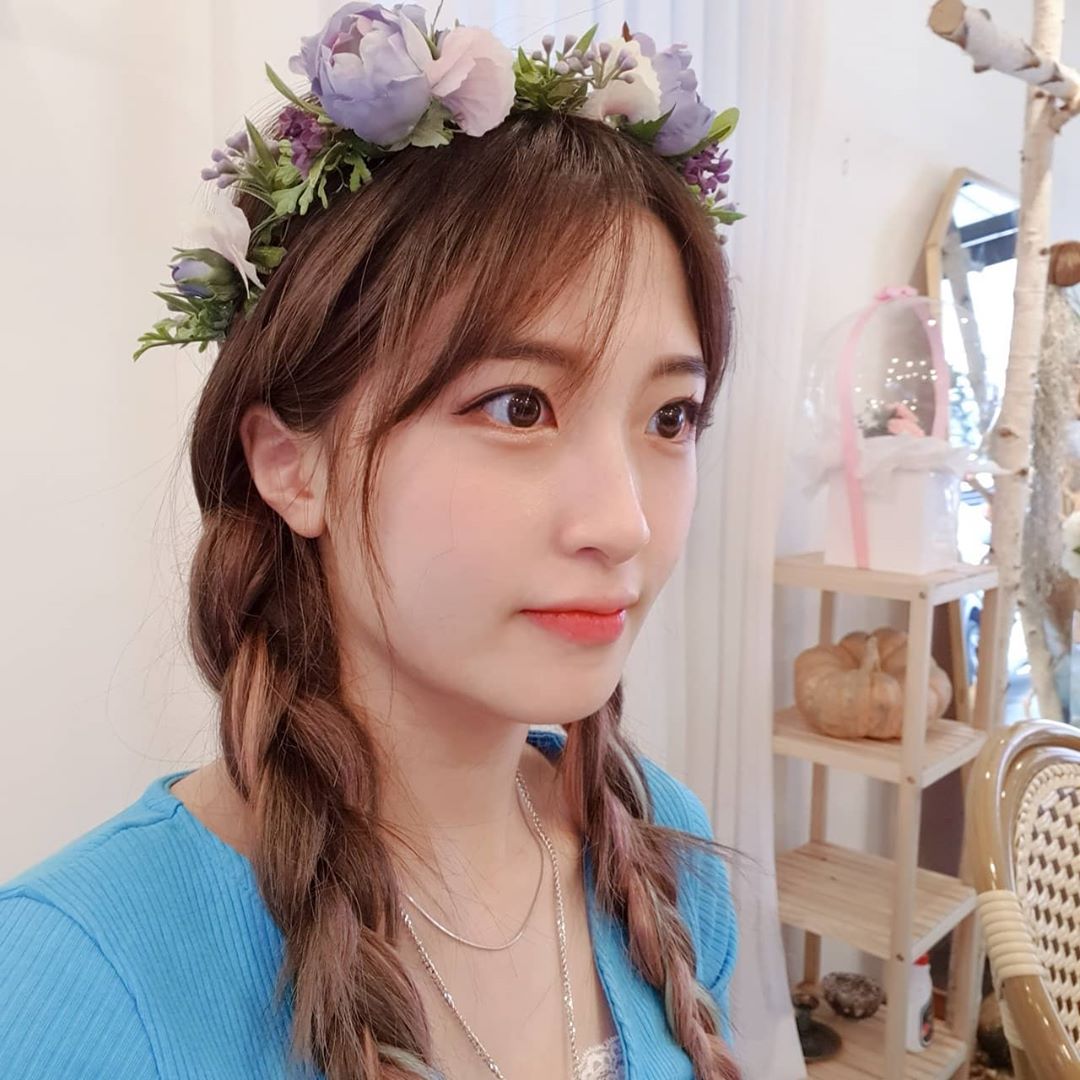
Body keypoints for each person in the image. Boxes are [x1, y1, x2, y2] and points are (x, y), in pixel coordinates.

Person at [0, 5, 742, 1078]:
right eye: (518, 407)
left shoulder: (663, 850)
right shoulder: (72, 982)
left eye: (670, 418)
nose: (625, 522)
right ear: (292, 465)